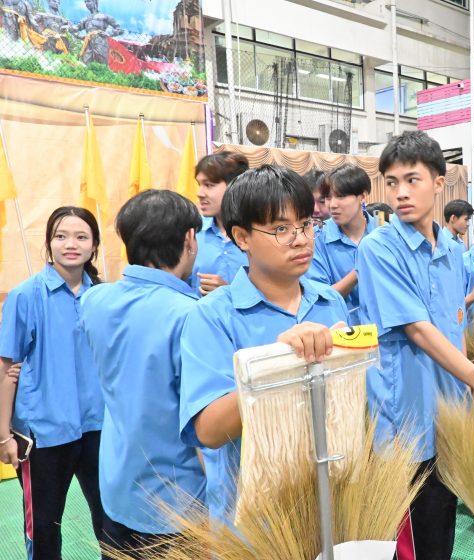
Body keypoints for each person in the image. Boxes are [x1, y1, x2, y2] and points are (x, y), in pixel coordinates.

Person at [179, 165, 349, 523]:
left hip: (329, 501)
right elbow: (208, 430)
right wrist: (281, 362)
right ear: (242, 237)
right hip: (255, 521)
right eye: (281, 229)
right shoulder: (213, 316)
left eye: (306, 224)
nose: (301, 240)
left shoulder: (330, 302)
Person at [356, 130, 474, 560]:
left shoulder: (453, 249)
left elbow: (453, 326)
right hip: (405, 425)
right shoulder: (378, 248)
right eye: (392, 182)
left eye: (412, 180)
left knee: (442, 528)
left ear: (439, 183)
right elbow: (417, 329)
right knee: (410, 544)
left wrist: (468, 395)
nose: (400, 192)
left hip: (449, 420)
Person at [79, 191, 206, 558]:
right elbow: (202, 426)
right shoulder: (191, 315)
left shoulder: (94, 300)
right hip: (179, 503)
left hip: (117, 487)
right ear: (189, 239)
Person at [0, 207, 105, 560]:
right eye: (61, 236)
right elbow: (6, 367)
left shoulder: (103, 297)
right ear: (48, 243)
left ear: (94, 245)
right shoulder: (25, 296)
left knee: (111, 522)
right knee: (44, 530)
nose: (70, 244)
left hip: (98, 428)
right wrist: (3, 435)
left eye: (81, 237)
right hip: (43, 436)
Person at [306, 164, 377, 325]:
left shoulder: (385, 235)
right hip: (342, 333)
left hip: (388, 335)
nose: (332, 204)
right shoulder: (316, 239)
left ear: (362, 196)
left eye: (341, 196)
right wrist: (360, 269)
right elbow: (320, 300)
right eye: (328, 198)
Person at [192, 151, 250, 296]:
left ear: (234, 186)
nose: (200, 193)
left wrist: (230, 293)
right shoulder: (192, 233)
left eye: (209, 185)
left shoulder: (261, 235)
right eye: (199, 184)